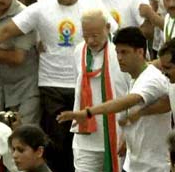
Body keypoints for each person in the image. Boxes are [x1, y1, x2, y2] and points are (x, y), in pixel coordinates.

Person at [0, 0, 118, 171]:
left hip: (82, 88)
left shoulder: (92, 7)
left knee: (87, 142)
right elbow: (6, 31)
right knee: (55, 145)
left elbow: (116, 36)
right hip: (51, 87)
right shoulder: (40, 7)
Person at [57, 26, 171, 172]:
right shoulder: (135, 78)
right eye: (117, 52)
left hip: (154, 167)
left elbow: (126, 102)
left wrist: (87, 112)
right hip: (134, 165)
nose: (119, 58)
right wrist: (125, 137)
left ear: (140, 52)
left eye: (125, 52)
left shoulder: (151, 79)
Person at [67, 9, 127, 172]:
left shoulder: (120, 53)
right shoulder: (79, 50)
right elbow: (77, 87)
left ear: (107, 28)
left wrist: (127, 135)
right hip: (85, 138)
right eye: (86, 36)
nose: (90, 41)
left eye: (95, 35)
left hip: (115, 136)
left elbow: (130, 95)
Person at [0, 0, 40, 124]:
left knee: (24, 134)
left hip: (27, 88)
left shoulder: (24, 16)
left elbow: (18, 58)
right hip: (5, 89)